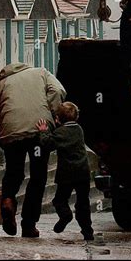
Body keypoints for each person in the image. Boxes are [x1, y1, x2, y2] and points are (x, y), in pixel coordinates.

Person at [0, 62, 66, 238]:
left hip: (12, 134)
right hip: (38, 132)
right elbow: (58, 91)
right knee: (38, 177)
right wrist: (52, 114)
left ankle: (8, 201)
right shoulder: (41, 72)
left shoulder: (1, 85)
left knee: (14, 172)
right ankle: (29, 224)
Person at [36, 101, 94, 241]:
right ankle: (87, 231)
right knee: (83, 203)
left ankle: (65, 215)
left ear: (58, 119)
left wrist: (43, 131)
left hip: (67, 173)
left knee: (59, 200)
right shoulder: (79, 129)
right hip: (83, 172)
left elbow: (48, 144)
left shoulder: (60, 132)